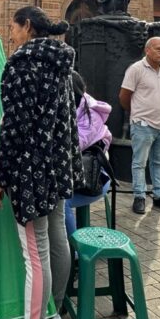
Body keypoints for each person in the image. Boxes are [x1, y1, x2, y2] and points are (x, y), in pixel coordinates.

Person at [0, 6, 81, 319]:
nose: (11, 34)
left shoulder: (21, 64)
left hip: (31, 172)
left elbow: (14, 127)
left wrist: (0, 177)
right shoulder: (61, 63)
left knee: (36, 255)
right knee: (57, 238)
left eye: (13, 27)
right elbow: (67, 122)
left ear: (27, 26)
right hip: (58, 165)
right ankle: (54, 314)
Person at [119, 37, 160, 216]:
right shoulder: (136, 69)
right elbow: (124, 97)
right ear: (147, 50)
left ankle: (159, 196)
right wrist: (137, 115)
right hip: (143, 125)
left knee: (159, 163)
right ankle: (139, 196)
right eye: (158, 49)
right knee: (139, 163)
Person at [64, 71, 112, 237]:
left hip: (94, 179)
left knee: (60, 203)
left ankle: (74, 248)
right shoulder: (70, 108)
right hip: (73, 177)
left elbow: (72, 145)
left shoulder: (91, 115)